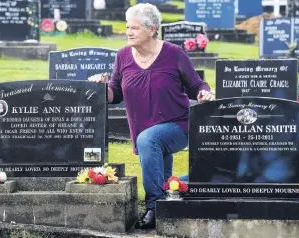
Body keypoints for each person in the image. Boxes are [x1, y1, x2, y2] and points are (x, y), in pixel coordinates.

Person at [89, 3, 215, 229]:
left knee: (149, 140)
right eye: (128, 27)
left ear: (152, 29)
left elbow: (196, 84)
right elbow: (114, 94)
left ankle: (154, 207)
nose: (129, 32)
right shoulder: (123, 56)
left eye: (135, 28)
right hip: (142, 127)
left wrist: (204, 92)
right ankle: (192, 186)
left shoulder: (174, 54)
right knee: (164, 178)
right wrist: (102, 88)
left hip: (177, 125)